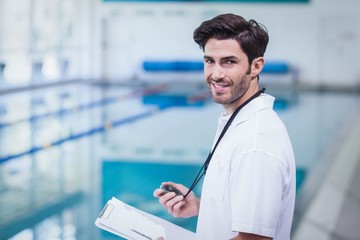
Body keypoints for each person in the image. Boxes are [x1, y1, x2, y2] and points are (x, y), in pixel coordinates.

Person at [153, 13, 296, 240]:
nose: (216, 74)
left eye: (229, 62)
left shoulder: (256, 142)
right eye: (210, 61)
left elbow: (254, 239)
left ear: (256, 66)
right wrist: (201, 206)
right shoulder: (239, 122)